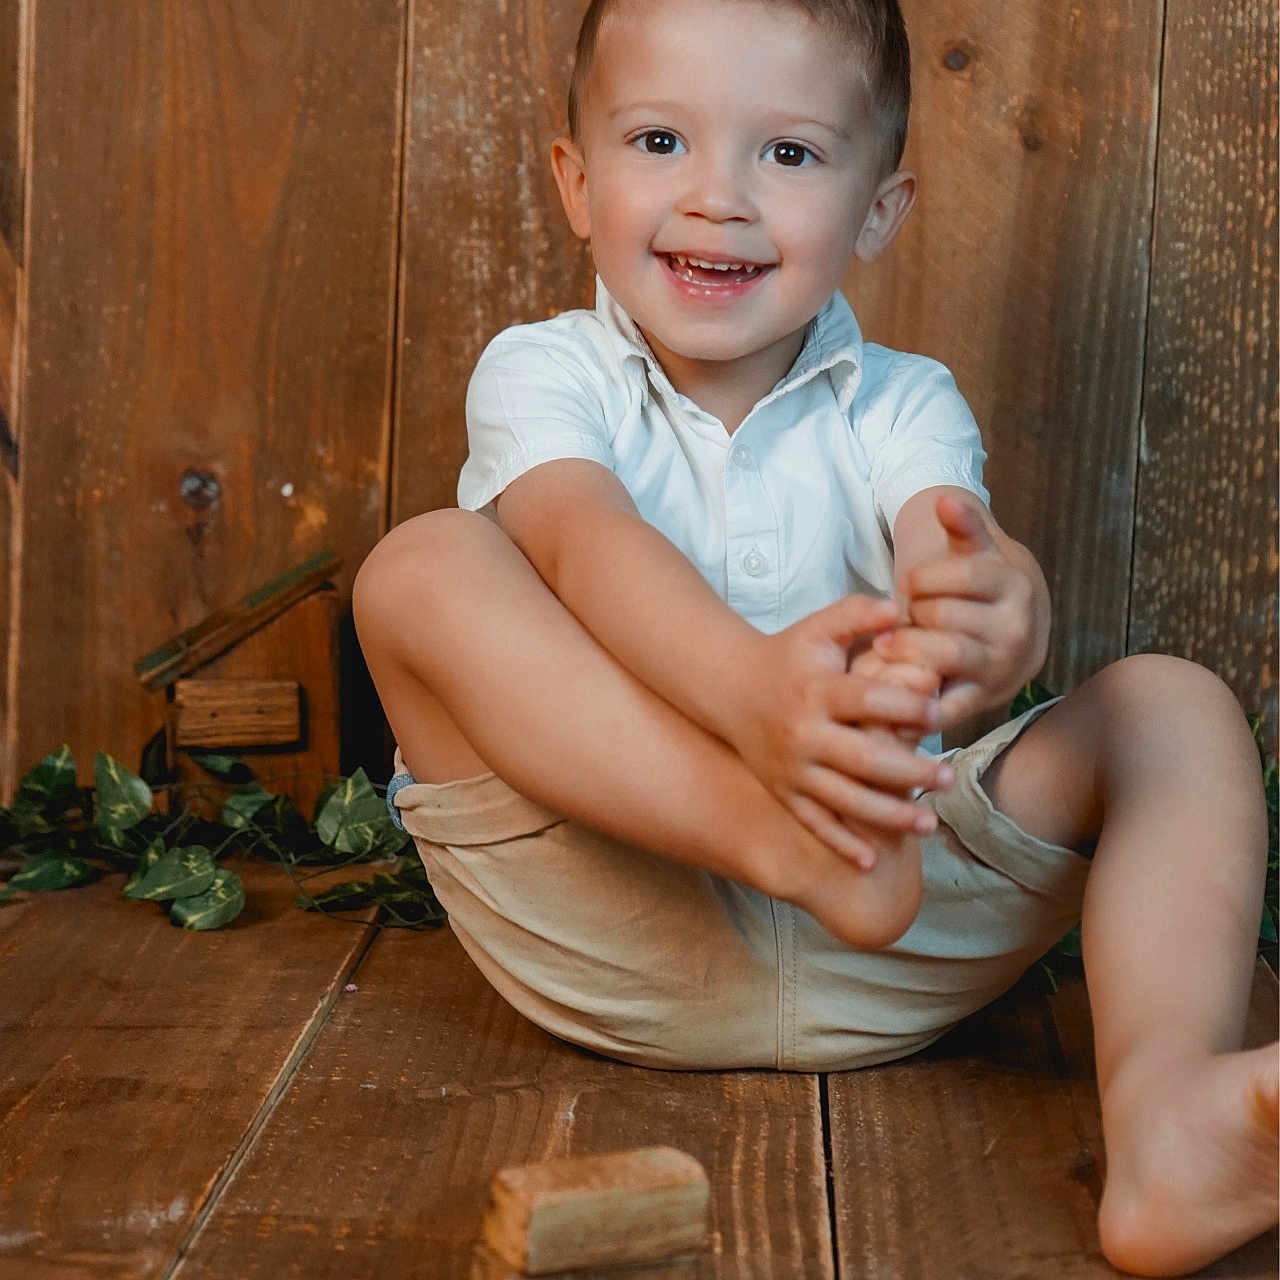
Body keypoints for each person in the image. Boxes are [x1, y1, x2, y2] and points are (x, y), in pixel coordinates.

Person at [353, 0, 1279, 1272]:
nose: (719, 197)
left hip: (897, 904)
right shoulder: (544, 371)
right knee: (423, 564)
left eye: (785, 154)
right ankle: (765, 825)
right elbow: (577, 542)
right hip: (611, 908)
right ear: (575, 182)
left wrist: (994, 615)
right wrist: (755, 699)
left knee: (1170, 703)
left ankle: (1170, 1119)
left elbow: (947, 554)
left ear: (877, 209)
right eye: (660, 140)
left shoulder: (900, 402)